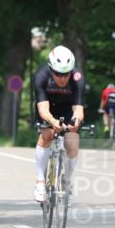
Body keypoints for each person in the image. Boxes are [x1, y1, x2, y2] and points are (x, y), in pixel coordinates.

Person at [32, 45, 85, 203]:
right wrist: (53, 122)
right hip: (48, 109)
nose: (62, 78)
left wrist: (75, 122)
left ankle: (67, 182)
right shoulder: (41, 76)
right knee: (47, 135)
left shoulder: (77, 78)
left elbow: (79, 110)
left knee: (72, 142)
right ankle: (40, 182)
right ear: (50, 69)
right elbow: (42, 109)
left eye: (66, 74)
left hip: (68, 109)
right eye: (58, 74)